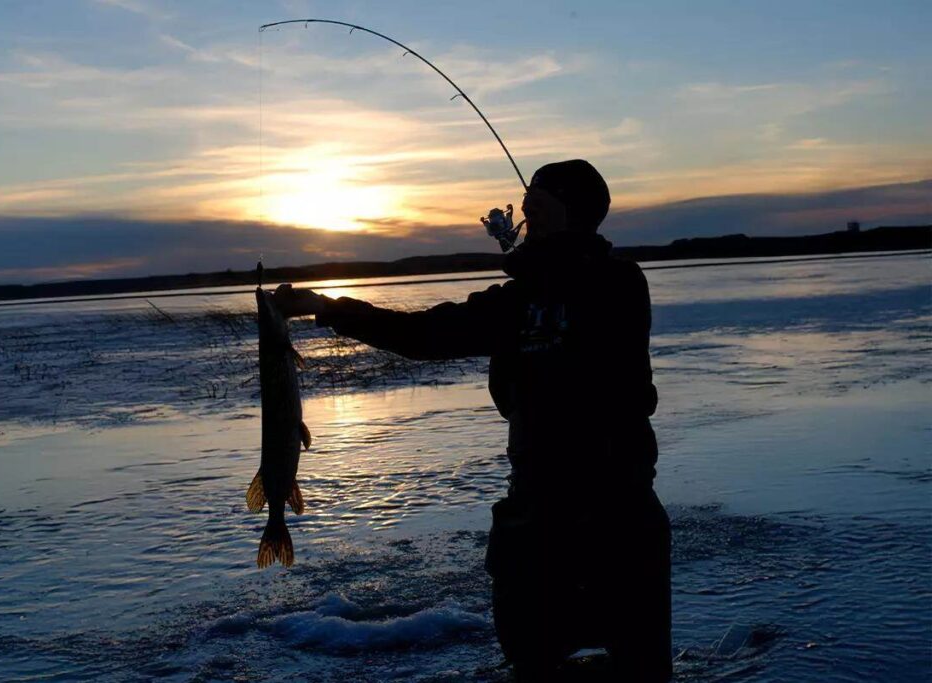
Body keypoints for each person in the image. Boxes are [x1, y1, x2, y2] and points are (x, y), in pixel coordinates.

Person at [274, 160, 672, 682]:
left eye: (538, 207)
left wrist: (531, 270)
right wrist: (327, 307)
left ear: (573, 214)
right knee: (532, 658)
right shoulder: (517, 298)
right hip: (537, 506)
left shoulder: (617, 282)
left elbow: (574, 299)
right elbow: (423, 335)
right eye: (525, 208)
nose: (526, 216)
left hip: (618, 507)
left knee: (641, 667)